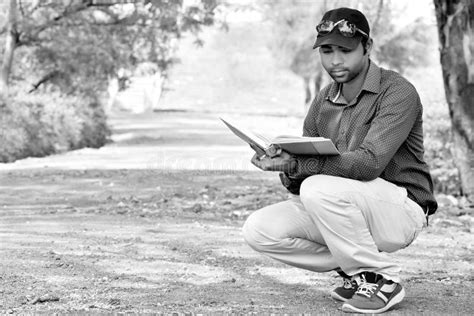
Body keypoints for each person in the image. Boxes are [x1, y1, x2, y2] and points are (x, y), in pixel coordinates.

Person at [242, 7, 438, 314]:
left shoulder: (397, 92)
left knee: (319, 187)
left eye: (345, 50)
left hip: (401, 209)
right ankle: (355, 271)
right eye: (327, 51)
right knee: (259, 229)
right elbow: (301, 184)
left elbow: (368, 163)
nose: (335, 61)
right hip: (346, 209)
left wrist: (301, 167)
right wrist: (284, 164)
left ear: (367, 47)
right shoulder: (323, 100)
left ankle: (383, 279)